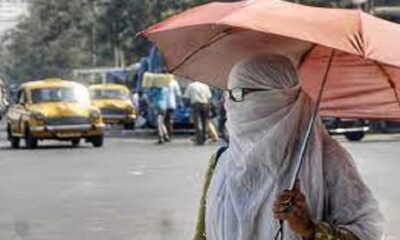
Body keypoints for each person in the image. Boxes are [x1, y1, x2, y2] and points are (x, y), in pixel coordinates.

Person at [193, 54, 383, 240]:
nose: (229, 103)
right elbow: (202, 234)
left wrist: (310, 229)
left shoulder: (326, 159)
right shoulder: (221, 161)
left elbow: (366, 232)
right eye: (229, 94)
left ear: (277, 97)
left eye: (239, 94)